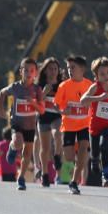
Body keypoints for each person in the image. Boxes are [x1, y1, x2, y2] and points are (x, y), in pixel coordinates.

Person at [0, 58, 45, 191]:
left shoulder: (37, 89)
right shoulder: (15, 87)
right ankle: (12, 148)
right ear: (21, 72)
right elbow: (2, 93)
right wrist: (0, 109)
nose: (29, 73)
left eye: (32, 71)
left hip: (30, 125)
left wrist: (33, 103)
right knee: (18, 142)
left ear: (35, 73)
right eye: (26, 70)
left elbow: (41, 109)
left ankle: (21, 177)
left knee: (27, 153)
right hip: (17, 123)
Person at [54, 55, 93, 195]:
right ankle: (69, 170)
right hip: (69, 125)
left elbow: (96, 101)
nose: (70, 70)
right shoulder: (64, 86)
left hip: (84, 124)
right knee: (69, 157)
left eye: (73, 67)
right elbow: (56, 104)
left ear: (82, 69)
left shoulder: (89, 85)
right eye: (68, 68)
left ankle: (74, 182)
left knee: (83, 151)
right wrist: (63, 110)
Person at [81, 57, 108, 187]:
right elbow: (83, 100)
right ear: (96, 76)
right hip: (95, 126)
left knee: (104, 146)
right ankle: (95, 161)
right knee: (95, 152)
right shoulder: (95, 87)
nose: (106, 76)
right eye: (102, 74)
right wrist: (98, 97)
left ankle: (106, 174)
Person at [35, 57, 63, 187]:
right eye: (50, 69)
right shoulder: (40, 85)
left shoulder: (62, 85)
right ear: (45, 71)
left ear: (58, 71)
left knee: (58, 134)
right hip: (43, 117)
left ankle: (57, 156)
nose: (53, 71)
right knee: (45, 148)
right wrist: (44, 92)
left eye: (55, 69)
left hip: (56, 116)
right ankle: (45, 174)